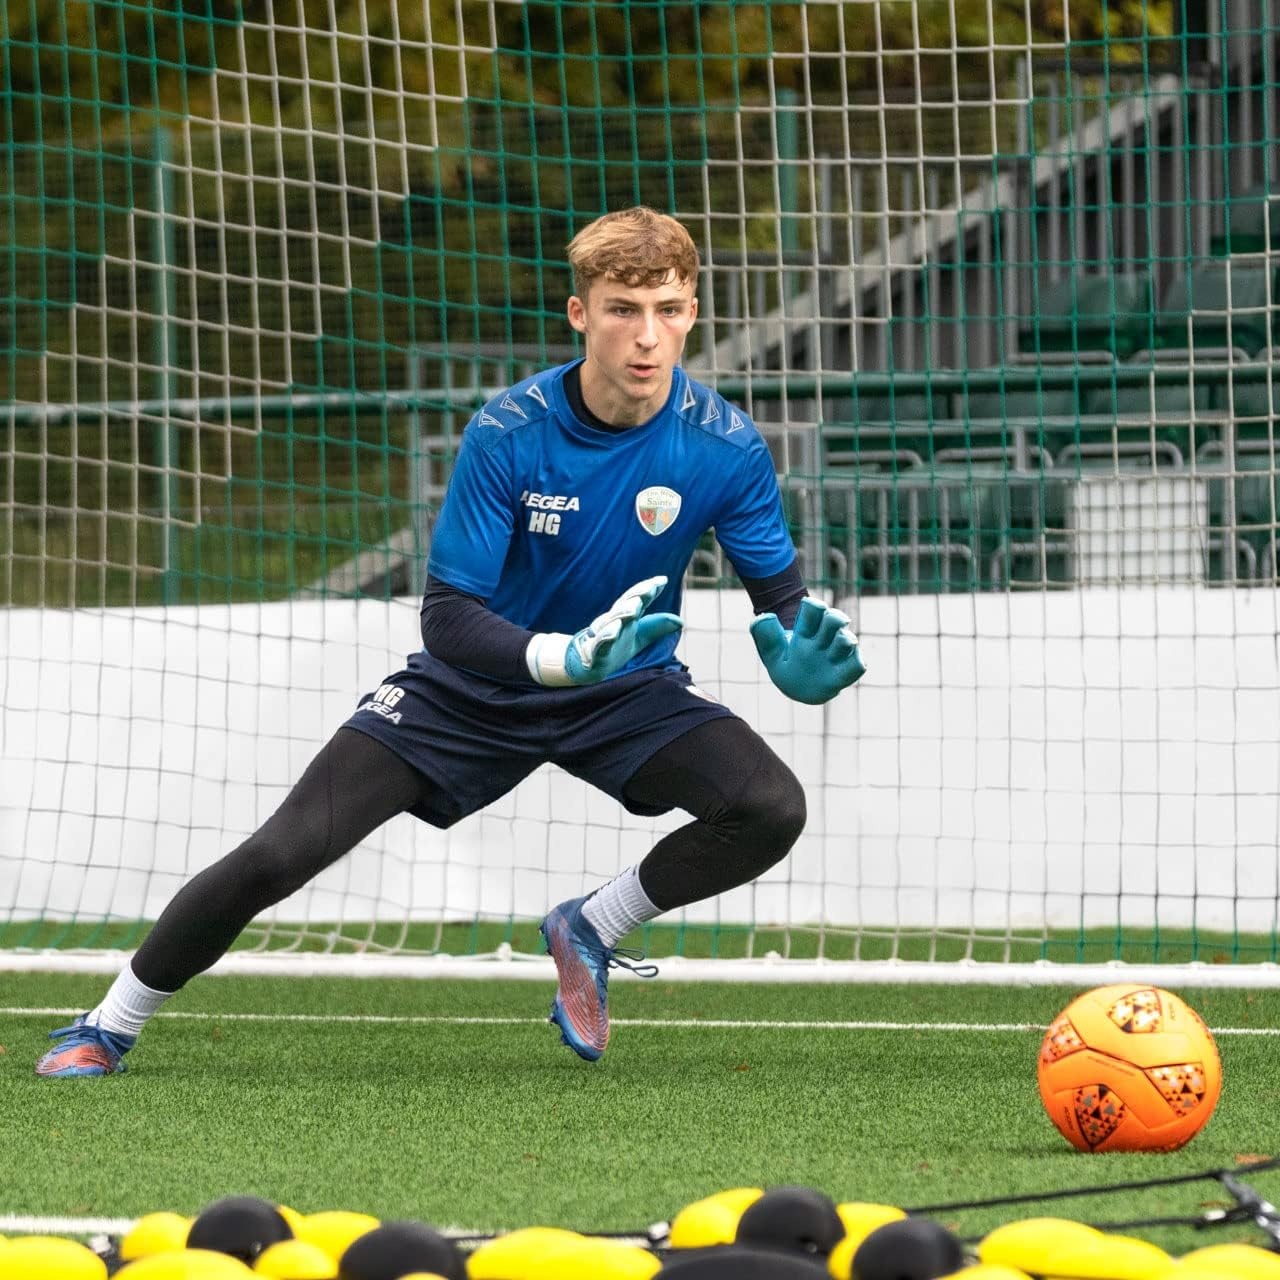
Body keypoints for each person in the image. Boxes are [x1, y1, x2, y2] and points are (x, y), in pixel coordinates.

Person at [36, 205, 865, 1076]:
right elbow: (449, 616)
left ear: (694, 311)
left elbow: (783, 604)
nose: (647, 337)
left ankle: (593, 924)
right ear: (580, 314)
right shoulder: (510, 431)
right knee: (282, 851)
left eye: (668, 308)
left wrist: (798, 661)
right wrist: (560, 657)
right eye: (623, 309)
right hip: (471, 688)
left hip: (626, 688)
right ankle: (108, 1024)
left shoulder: (725, 447)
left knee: (771, 807)